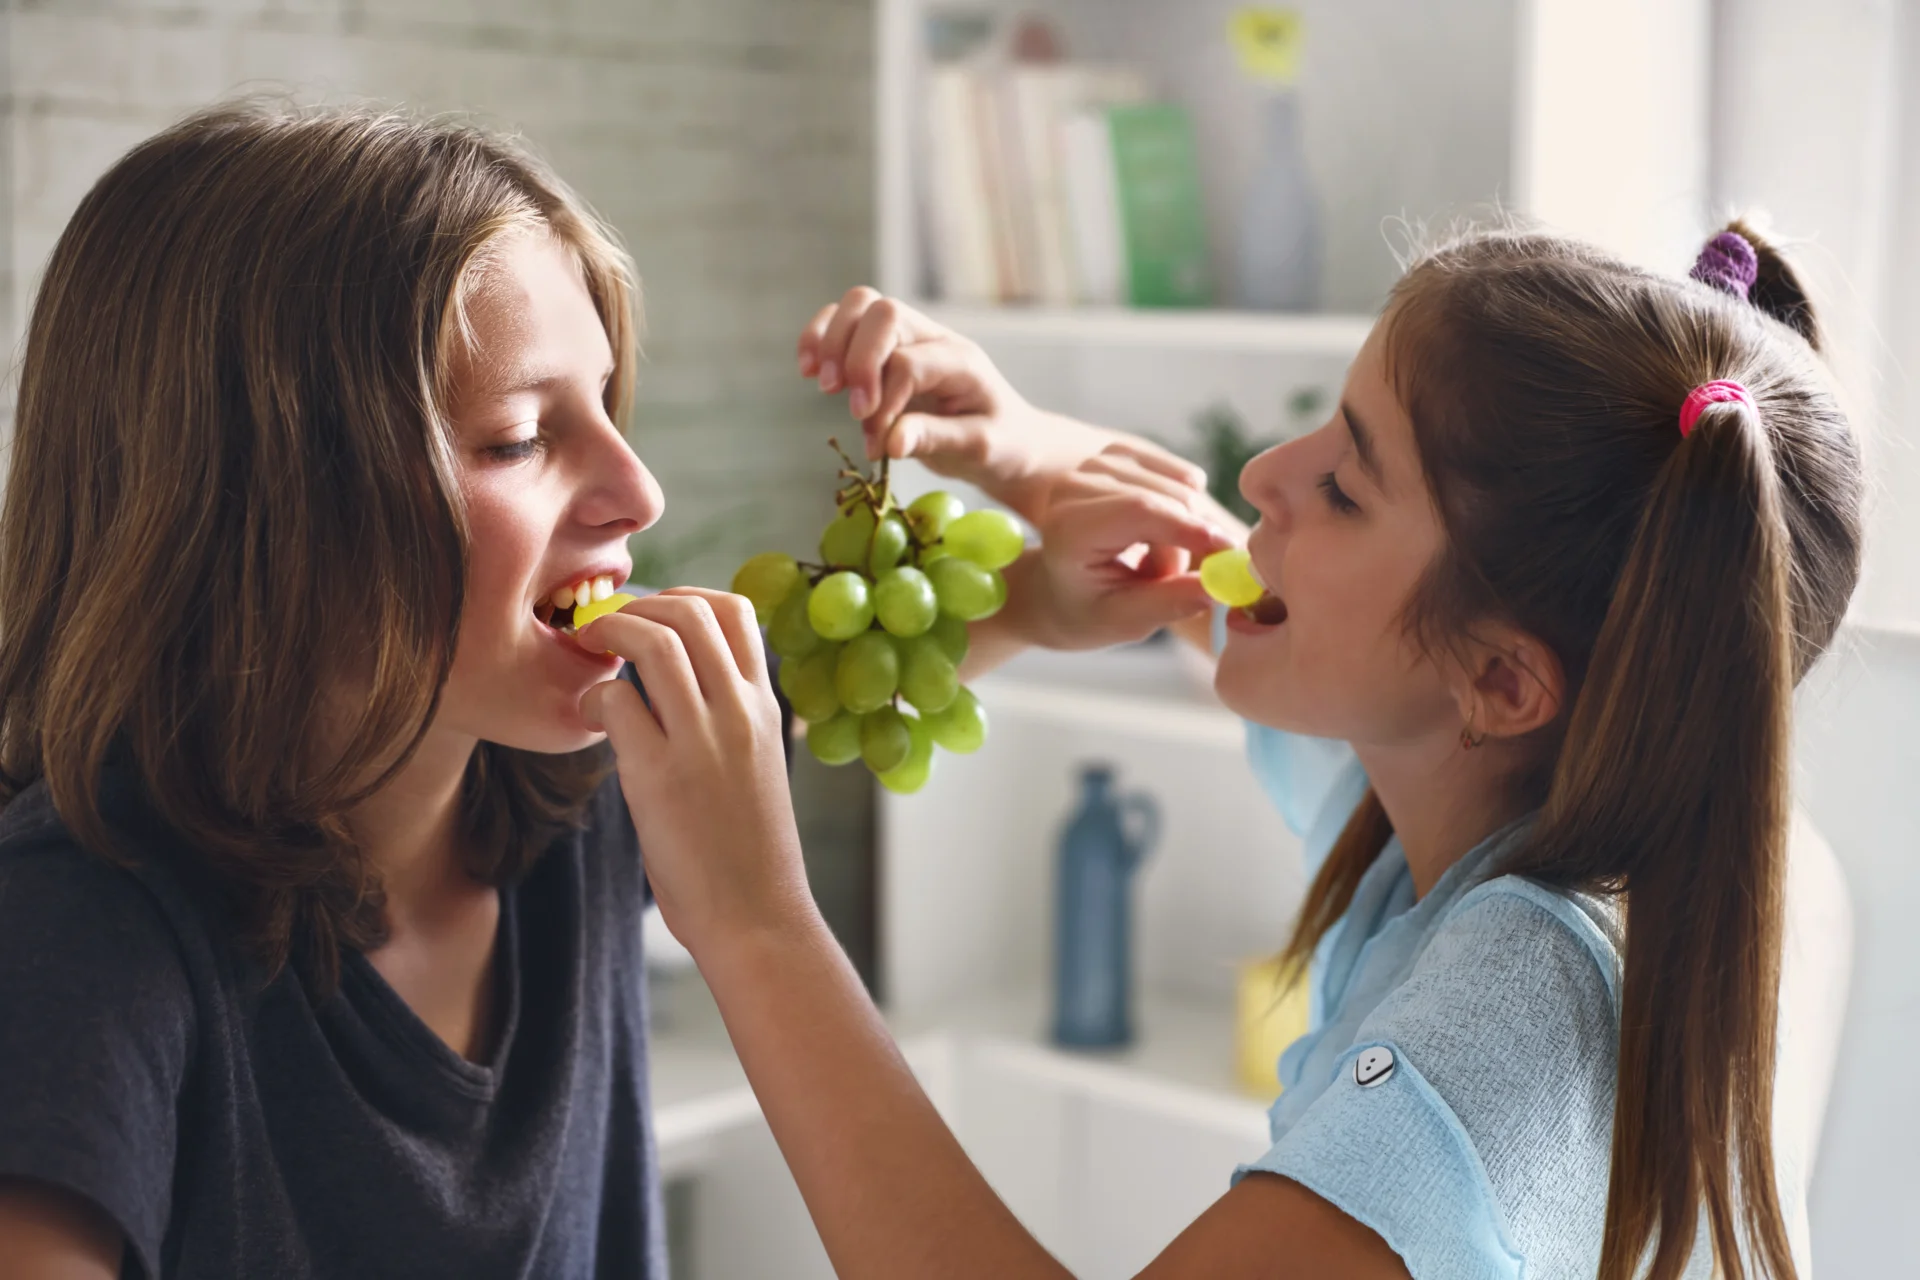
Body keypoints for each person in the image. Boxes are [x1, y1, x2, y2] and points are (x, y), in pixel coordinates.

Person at [578, 224, 1863, 1279]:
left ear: (1503, 679)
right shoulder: (1646, 815)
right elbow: (1226, 580)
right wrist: (1023, 450)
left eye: (1347, 485)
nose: (1264, 472)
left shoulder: (1520, 1019)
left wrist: (752, 917)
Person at [0, 104, 674, 1277]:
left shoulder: (606, 781)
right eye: (516, 439)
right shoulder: (76, 934)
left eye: (607, 406)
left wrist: (1028, 543)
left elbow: (898, 658)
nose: (638, 489)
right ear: (260, 506)